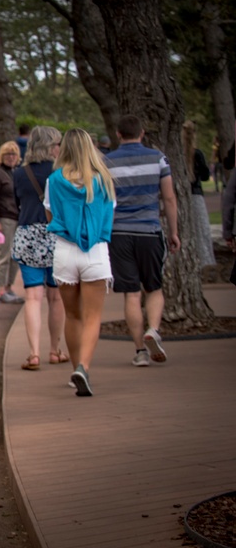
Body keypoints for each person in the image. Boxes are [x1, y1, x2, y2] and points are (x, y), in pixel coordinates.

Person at [104, 115, 180, 367]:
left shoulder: (107, 162)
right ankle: (154, 329)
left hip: (119, 234)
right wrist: (173, 232)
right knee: (154, 287)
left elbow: (104, 200)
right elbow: (169, 198)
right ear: (142, 132)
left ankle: (140, 351)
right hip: (149, 230)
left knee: (131, 294)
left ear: (118, 134)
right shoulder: (158, 158)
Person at [45, 128, 117, 397]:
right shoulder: (103, 180)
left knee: (72, 314)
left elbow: (49, 213)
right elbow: (109, 212)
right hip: (95, 251)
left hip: (65, 251)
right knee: (93, 316)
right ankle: (84, 368)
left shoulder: (54, 180)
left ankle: (76, 367)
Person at [11, 126, 69, 370]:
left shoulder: (19, 173)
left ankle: (33, 353)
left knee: (32, 297)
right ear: (51, 146)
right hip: (55, 235)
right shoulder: (61, 173)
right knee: (56, 297)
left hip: (27, 235)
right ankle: (55, 350)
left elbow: (17, 203)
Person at [0, 140, 23, 304]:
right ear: (2, 156)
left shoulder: (16, 173)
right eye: (8, 154)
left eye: (13, 154)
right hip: (4, 218)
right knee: (3, 255)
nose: (11, 157)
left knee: (15, 256)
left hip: (17, 218)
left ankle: (9, 287)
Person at [181, 121, 216, 267]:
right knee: (201, 231)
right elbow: (206, 176)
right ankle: (204, 262)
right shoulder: (198, 154)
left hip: (181, 196)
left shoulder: (176, 155)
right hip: (196, 195)